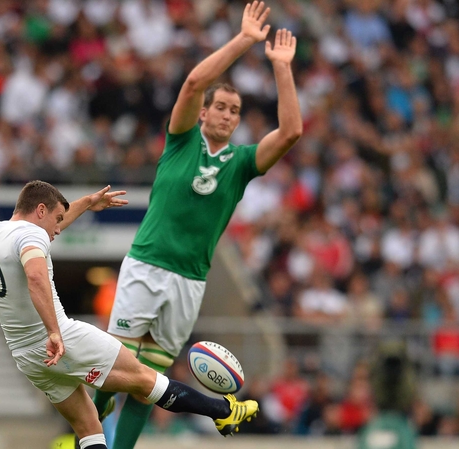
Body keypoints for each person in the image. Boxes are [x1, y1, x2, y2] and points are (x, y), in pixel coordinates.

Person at [93, 2, 302, 448]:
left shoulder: (242, 163)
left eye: (234, 110)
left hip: (190, 280)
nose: (226, 114)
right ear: (204, 113)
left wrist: (281, 67)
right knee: (116, 367)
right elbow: (193, 83)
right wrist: (245, 40)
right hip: (147, 264)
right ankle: (89, 424)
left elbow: (290, 133)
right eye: (220, 106)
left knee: (150, 381)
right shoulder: (182, 140)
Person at [0, 181, 259, 449]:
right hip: (59, 339)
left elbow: (42, 235)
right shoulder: (33, 234)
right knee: (145, 378)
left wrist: (86, 203)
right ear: (40, 210)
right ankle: (223, 411)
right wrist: (53, 331)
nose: (57, 230)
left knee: (89, 427)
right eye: (57, 219)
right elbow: (36, 276)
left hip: (26, 356)